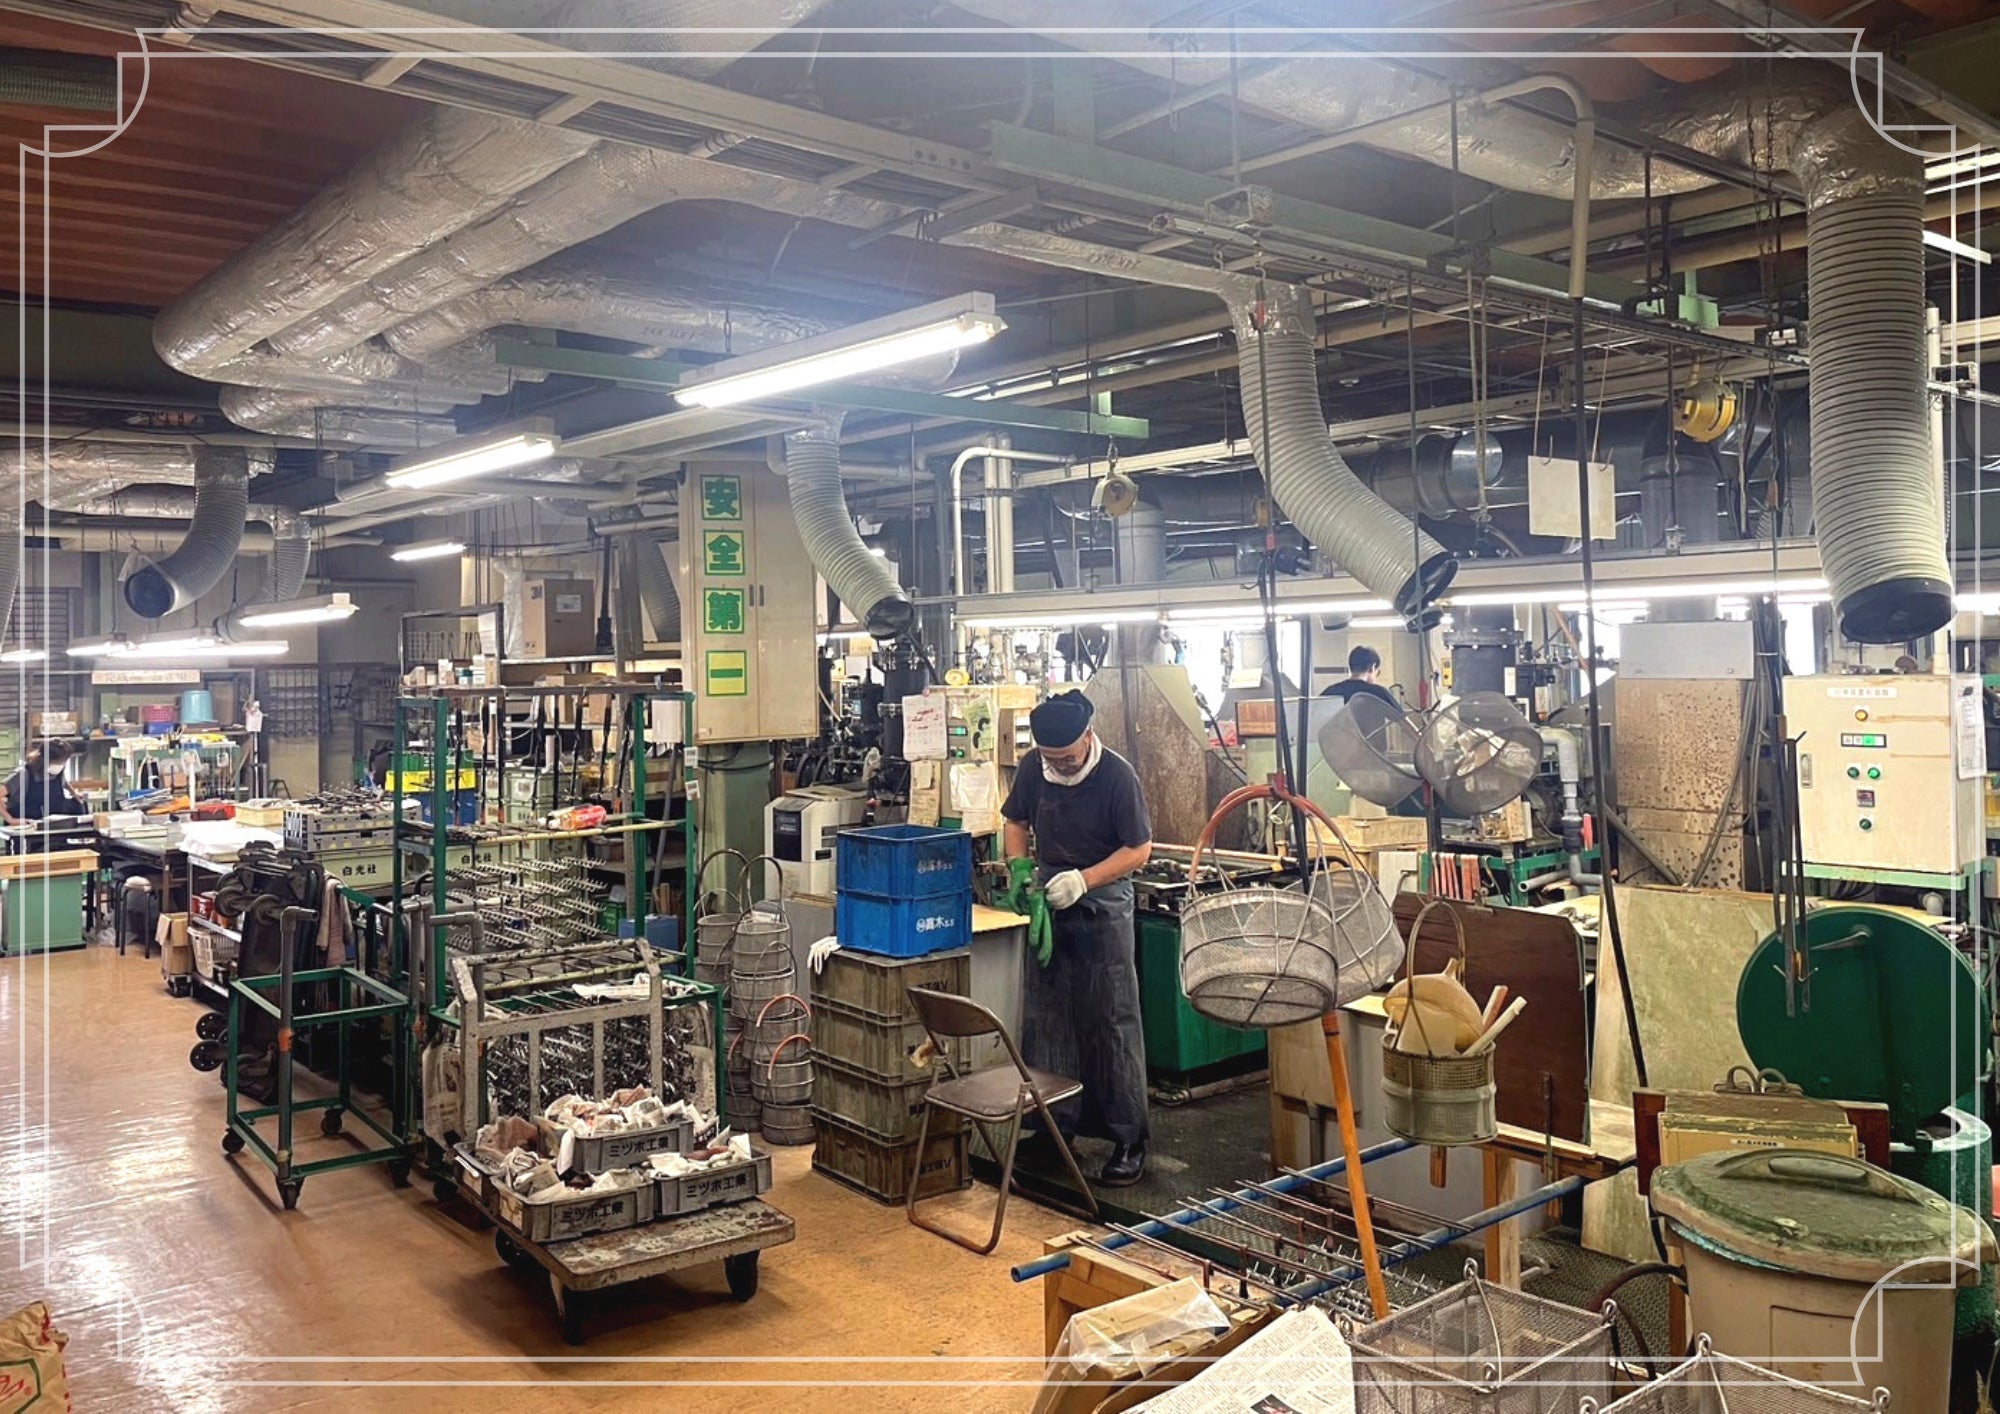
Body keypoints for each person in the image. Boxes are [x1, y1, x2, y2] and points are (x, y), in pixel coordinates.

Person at [1000, 691, 1154, 1186]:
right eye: (1052, 758)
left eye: (1066, 757)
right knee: (1048, 1019)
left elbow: (1139, 849)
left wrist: (1085, 880)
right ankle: (1053, 1129)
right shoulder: (1033, 768)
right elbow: (1015, 820)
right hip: (1049, 899)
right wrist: (1018, 866)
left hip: (1103, 900)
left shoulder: (1117, 776)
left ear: (1088, 737)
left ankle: (1128, 1137)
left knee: (1110, 1018)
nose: (1060, 766)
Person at [4, 740, 85, 836]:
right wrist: (10, 819)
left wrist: (74, 794)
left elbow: (64, 782)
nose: (61, 764)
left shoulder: (56, 772)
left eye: (63, 761)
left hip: (53, 831)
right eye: (58, 761)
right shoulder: (23, 774)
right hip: (26, 833)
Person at [1321, 645, 1402, 709]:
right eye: (1377, 673)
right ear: (1372, 667)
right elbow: (1404, 721)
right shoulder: (1379, 693)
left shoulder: (1331, 691)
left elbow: (1316, 716)